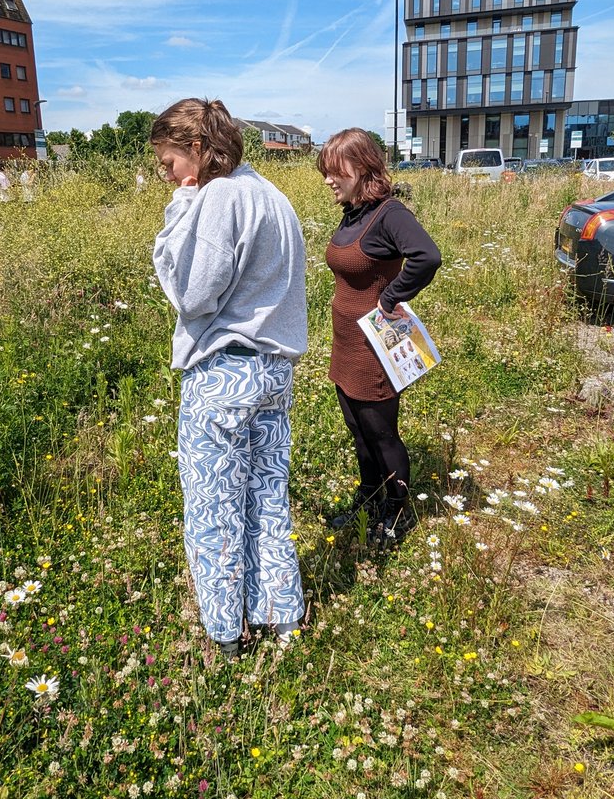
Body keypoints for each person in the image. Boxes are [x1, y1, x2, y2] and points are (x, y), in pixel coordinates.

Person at [151, 97, 308, 658]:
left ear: (196, 148)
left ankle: (225, 631)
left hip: (223, 373)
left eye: (169, 163)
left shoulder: (219, 197)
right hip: (274, 371)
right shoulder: (272, 195)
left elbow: (193, 293)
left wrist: (179, 210)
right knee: (267, 497)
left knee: (213, 507)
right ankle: (282, 614)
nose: (167, 175)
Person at [318, 128, 441, 540]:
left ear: (362, 167)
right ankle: (369, 499)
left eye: (335, 171)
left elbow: (427, 256)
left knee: (382, 435)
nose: (328, 180)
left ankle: (396, 514)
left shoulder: (389, 214)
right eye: (325, 172)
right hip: (346, 344)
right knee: (358, 430)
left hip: (374, 348)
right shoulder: (354, 212)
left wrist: (390, 297)